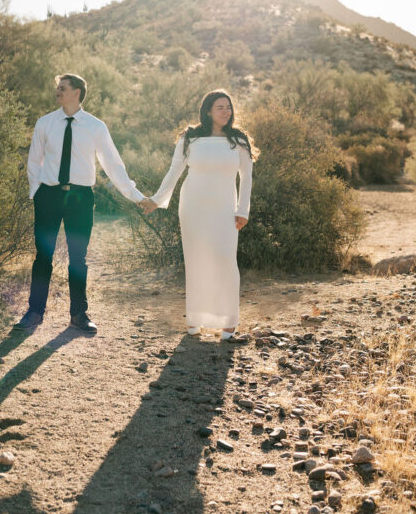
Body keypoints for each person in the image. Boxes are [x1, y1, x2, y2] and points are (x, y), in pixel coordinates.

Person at [16, 73, 149, 333]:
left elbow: (113, 164)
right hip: (49, 196)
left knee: (78, 257)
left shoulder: (95, 126)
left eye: (62, 88)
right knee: (43, 255)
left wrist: (135, 195)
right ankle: (34, 312)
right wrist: (37, 192)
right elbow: (34, 160)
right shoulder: (45, 123)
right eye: (57, 88)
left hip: (80, 197)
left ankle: (79, 314)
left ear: (77, 92)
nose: (57, 91)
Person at [142, 90, 256, 340]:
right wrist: (156, 200)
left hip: (226, 208)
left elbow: (246, 177)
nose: (226, 111)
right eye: (220, 107)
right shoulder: (190, 138)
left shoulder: (239, 140)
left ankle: (228, 321)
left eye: (228, 107)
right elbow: (174, 172)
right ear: (207, 111)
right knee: (196, 260)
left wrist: (243, 210)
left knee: (225, 259)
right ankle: (196, 318)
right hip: (193, 206)